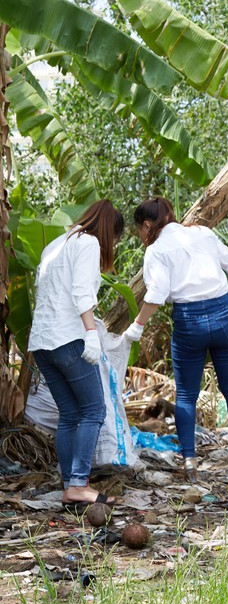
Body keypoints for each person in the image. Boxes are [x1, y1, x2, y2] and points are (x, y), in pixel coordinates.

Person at [123, 198, 228, 482]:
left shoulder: (156, 250)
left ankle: (189, 460)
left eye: (139, 230)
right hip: (224, 314)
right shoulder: (203, 233)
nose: (141, 237)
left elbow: (157, 293)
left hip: (189, 321)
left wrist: (137, 326)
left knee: (186, 395)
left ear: (147, 225)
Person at [29, 200, 125, 509]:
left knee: (70, 414)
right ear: (111, 232)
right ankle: (79, 485)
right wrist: (91, 333)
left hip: (42, 343)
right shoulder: (88, 243)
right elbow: (82, 293)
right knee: (94, 410)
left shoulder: (58, 244)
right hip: (68, 338)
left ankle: (69, 484)